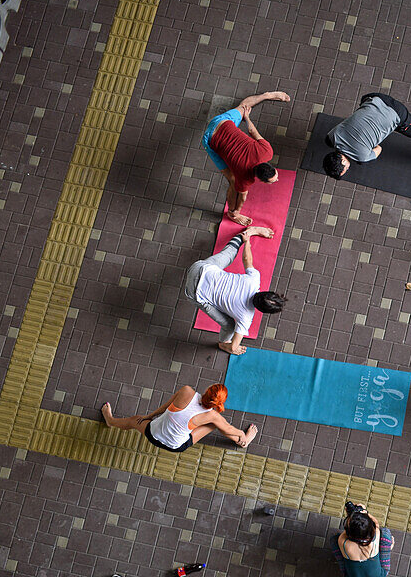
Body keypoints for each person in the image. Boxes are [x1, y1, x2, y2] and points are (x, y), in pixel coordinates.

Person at [184, 226, 286, 355]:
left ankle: (248, 233)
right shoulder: (245, 318)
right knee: (230, 326)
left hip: (199, 268)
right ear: (262, 311)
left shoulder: (254, 280)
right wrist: (231, 347)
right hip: (192, 291)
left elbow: (247, 259)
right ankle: (222, 344)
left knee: (229, 254)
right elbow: (234, 347)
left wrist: (247, 242)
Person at [322, 92, 411, 188]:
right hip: (373, 98)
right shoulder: (331, 136)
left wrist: (369, 141)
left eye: (345, 168)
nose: (347, 168)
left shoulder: (362, 157)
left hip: (396, 113)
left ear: (343, 160)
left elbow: (379, 149)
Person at [202, 91, 291, 226]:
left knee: (244, 107)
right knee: (232, 180)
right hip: (209, 140)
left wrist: (247, 117)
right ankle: (231, 214)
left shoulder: (267, 151)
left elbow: (252, 131)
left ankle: (265, 96)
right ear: (259, 179)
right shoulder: (245, 179)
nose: (277, 179)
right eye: (273, 180)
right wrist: (236, 212)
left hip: (222, 122)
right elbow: (242, 198)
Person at [101, 384, 258, 452]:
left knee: (134, 420)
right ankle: (243, 442)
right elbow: (229, 429)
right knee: (215, 425)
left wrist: (149, 416)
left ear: (208, 389)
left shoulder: (187, 391)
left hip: (152, 434)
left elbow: (165, 407)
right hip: (176, 446)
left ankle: (110, 420)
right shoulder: (213, 415)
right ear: (218, 404)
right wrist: (242, 434)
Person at [330, 501, 393, 577]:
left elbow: (348, 531)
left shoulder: (343, 542)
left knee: (334, 539)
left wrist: (351, 516)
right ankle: (388, 549)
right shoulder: (376, 535)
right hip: (379, 575)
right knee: (385, 533)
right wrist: (365, 513)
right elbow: (376, 524)